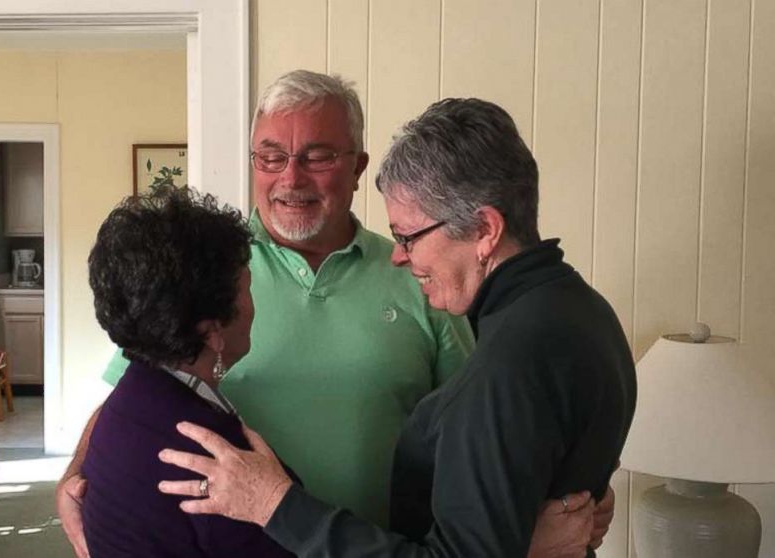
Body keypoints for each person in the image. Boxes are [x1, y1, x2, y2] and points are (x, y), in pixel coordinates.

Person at [58, 71, 613, 557]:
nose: (291, 178)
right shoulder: (201, 273)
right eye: (271, 156)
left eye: (317, 156)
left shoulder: (430, 277)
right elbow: (136, 393)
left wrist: (545, 508)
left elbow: (483, 431)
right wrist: (77, 474)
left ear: (357, 168)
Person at [78, 186, 298, 557]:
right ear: (213, 332)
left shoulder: (130, 400)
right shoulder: (214, 459)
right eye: (247, 287)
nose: (253, 305)